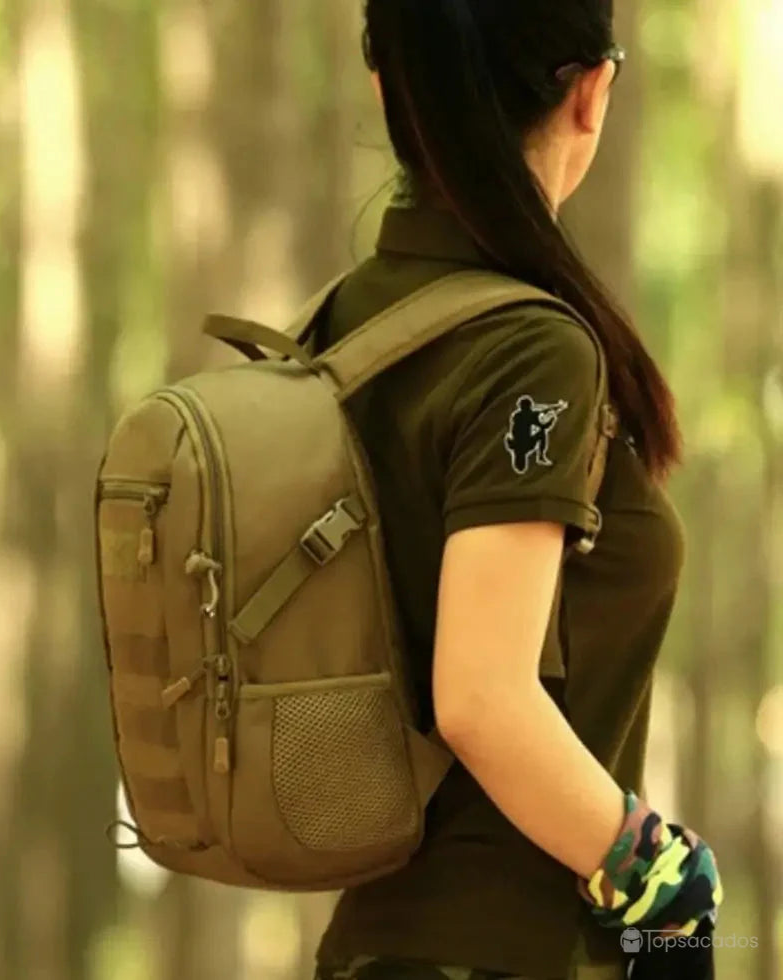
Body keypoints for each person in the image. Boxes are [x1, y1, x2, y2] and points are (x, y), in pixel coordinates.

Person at [311, 2, 722, 979]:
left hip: (373, 947)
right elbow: (481, 695)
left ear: (384, 86)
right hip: (498, 951)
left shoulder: (349, 321)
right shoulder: (526, 348)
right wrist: (656, 870)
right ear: (590, 92)